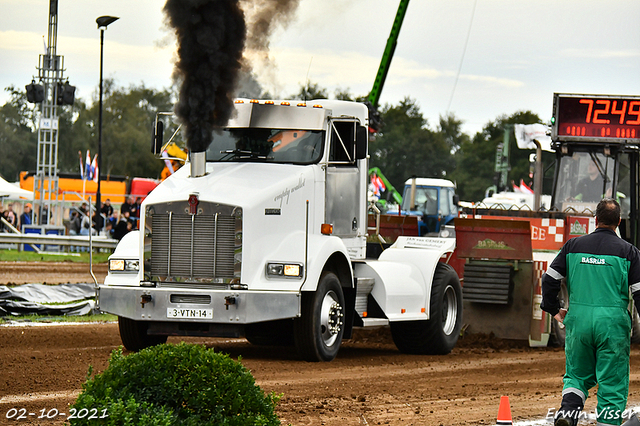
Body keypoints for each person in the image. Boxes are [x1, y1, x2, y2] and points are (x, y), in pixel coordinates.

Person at [541, 198, 640, 426]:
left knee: (577, 375)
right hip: (612, 325)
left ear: (595, 220)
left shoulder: (572, 246)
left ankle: (567, 414)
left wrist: (553, 308)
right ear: (618, 222)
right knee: (612, 381)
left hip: (579, 322)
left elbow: (550, 279)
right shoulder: (629, 252)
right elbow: (639, 293)